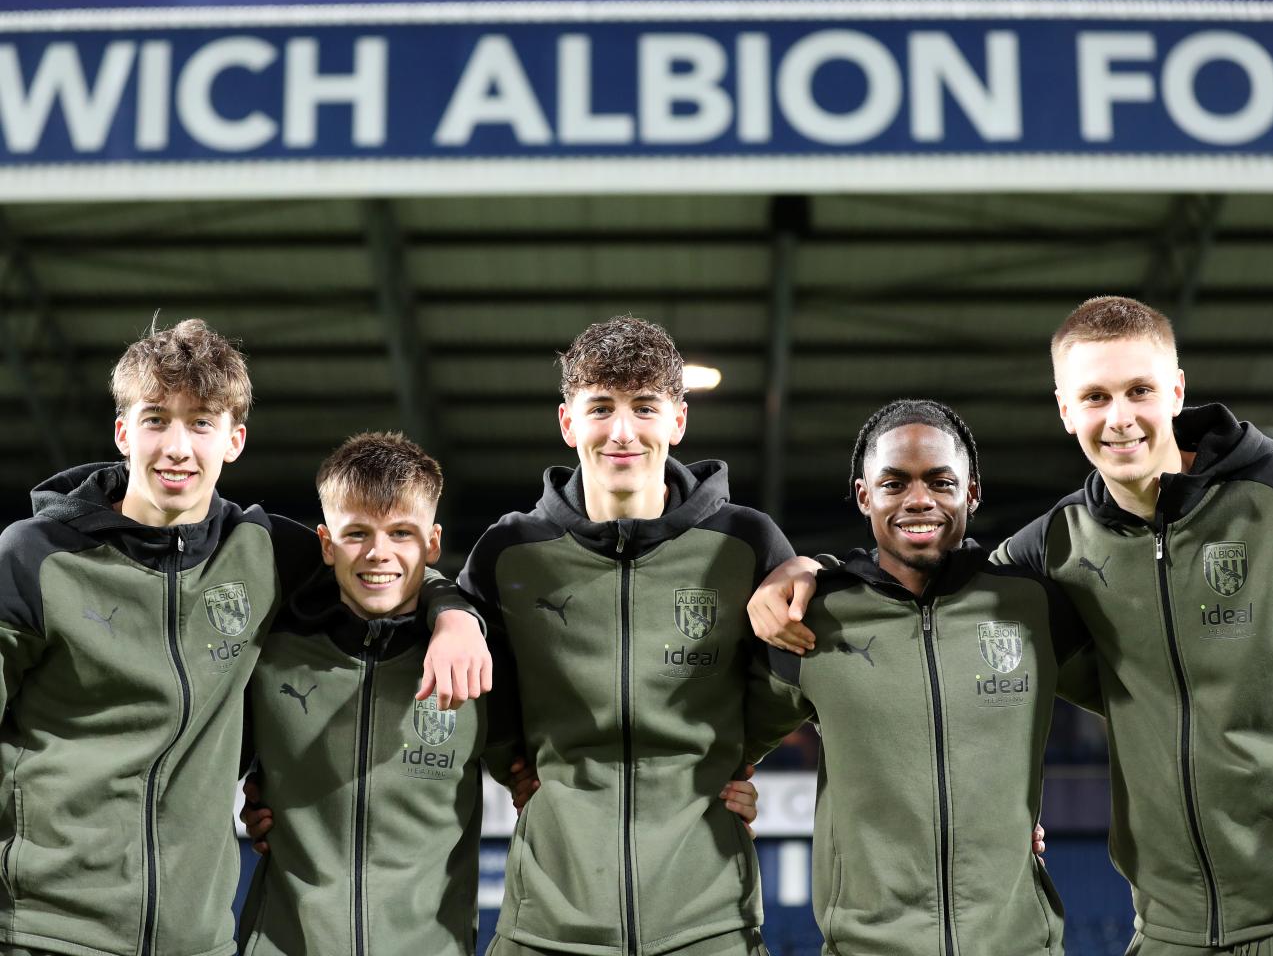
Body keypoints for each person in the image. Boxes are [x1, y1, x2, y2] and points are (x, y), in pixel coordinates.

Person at [751, 298, 1273, 956]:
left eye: (1139, 390)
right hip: (1172, 928)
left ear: (1176, 390)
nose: (1119, 418)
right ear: (1066, 409)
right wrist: (805, 568)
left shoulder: (1271, 494)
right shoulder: (1054, 549)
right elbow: (930, 593)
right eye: (1095, 396)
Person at [0, 320, 487, 956]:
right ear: (123, 433)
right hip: (46, 929)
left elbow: (383, 567)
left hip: (195, 939)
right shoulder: (34, 557)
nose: (177, 447)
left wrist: (455, 614)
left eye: (201, 423)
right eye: (156, 420)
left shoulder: (264, 551)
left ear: (235, 440)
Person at [459, 316, 795, 956]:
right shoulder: (509, 551)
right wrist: (509, 762)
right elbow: (458, 663)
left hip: (708, 921)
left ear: (678, 421)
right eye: (600, 408)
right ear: (568, 423)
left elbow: (799, 666)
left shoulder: (746, 542)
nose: (622, 431)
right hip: (547, 924)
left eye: (644, 407)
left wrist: (735, 757)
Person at [747, 399, 1087, 956]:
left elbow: (1140, 699)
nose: (919, 500)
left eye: (940, 482)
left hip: (1019, 944)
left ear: (971, 492)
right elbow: (719, 745)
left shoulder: (1032, 606)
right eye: (894, 483)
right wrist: (729, 795)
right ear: (865, 496)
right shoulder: (813, 618)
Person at [238, 431, 510, 956]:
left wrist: (455, 612)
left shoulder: (479, 663)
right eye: (357, 533)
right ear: (326, 543)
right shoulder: (269, 651)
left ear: (432, 543)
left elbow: (542, 778)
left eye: (401, 533)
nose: (378, 553)